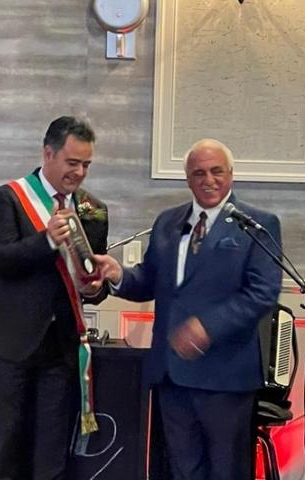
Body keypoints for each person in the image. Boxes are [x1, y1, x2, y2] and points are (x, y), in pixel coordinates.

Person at [95, 138, 282, 480]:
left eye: (216, 171)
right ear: (187, 179)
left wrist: (208, 326)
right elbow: (149, 280)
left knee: (226, 471)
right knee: (182, 471)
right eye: (199, 173)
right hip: (172, 374)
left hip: (226, 376)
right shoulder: (167, 222)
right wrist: (119, 274)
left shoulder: (257, 224)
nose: (208, 180)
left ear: (231, 174)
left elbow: (263, 293)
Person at [0, 116, 109, 479]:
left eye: (86, 165)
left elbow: (95, 277)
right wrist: (47, 240)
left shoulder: (94, 210)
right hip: (8, 347)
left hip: (59, 351)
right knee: (0, 454)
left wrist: (96, 288)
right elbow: (1, 259)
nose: (79, 173)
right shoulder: (8, 198)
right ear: (48, 153)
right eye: (72, 162)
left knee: (50, 458)